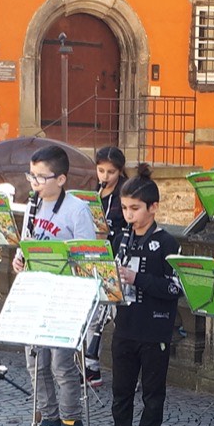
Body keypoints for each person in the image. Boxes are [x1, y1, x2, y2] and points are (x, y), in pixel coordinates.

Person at [91, 164, 182, 426]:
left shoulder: (166, 243)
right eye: (125, 208)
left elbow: (175, 287)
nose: (128, 215)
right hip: (125, 325)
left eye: (135, 209)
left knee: (152, 391)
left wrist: (137, 278)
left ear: (153, 208)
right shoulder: (121, 238)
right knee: (121, 389)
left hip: (154, 328)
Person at [11, 144, 97, 426]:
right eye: (31, 176)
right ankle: (48, 419)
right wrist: (19, 259)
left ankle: (72, 423)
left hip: (65, 297)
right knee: (37, 363)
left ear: (61, 179)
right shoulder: (33, 206)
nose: (33, 183)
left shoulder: (77, 210)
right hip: (37, 294)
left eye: (40, 177)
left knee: (62, 364)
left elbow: (88, 258)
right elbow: (27, 244)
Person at [83, 146, 130, 387]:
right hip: (96, 257)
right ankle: (90, 367)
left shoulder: (126, 194)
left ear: (120, 171)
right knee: (92, 316)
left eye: (110, 172)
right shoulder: (96, 194)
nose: (105, 176)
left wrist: (108, 231)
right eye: (101, 170)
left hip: (118, 259)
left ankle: (126, 372)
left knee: (118, 318)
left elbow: (130, 226)